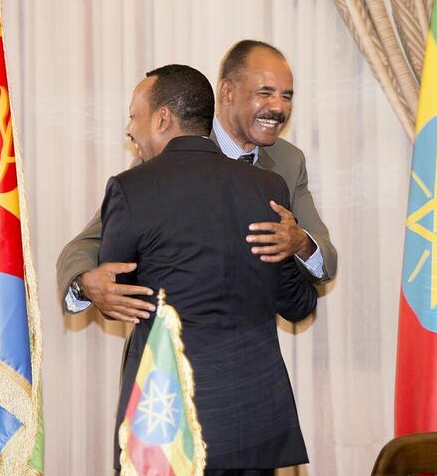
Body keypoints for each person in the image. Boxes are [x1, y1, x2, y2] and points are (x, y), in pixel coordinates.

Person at [102, 64, 317, 473]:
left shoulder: (131, 189)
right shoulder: (268, 188)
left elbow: (122, 297)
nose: (129, 129)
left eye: (134, 115)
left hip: (167, 421)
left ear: (163, 118)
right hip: (253, 422)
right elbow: (298, 303)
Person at [57, 40, 337, 320]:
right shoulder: (169, 148)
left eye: (286, 96)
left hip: (247, 350)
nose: (278, 107)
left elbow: (326, 262)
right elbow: (89, 241)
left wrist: (301, 243)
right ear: (227, 92)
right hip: (167, 347)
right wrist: (84, 283)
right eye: (265, 93)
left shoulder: (289, 162)